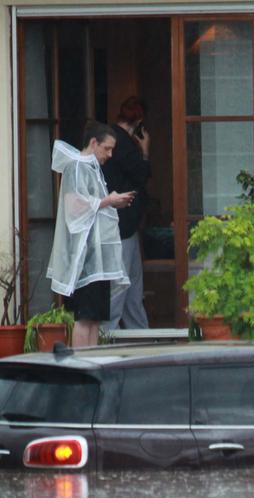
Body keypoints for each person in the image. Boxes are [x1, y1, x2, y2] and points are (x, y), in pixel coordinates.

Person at [48, 122, 134, 347]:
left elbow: (90, 205)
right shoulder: (77, 166)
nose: (110, 154)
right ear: (94, 143)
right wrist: (109, 201)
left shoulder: (92, 168)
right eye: (107, 148)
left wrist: (110, 202)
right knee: (84, 318)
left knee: (95, 318)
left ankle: (94, 363)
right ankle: (81, 364)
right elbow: (74, 207)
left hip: (97, 258)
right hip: (85, 257)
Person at [103, 96, 152, 331]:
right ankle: (107, 333)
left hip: (121, 225)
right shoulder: (124, 144)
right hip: (122, 226)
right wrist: (145, 150)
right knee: (123, 285)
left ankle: (138, 333)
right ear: (139, 122)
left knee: (129, 287)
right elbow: (141, 174)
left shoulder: (111, 138)